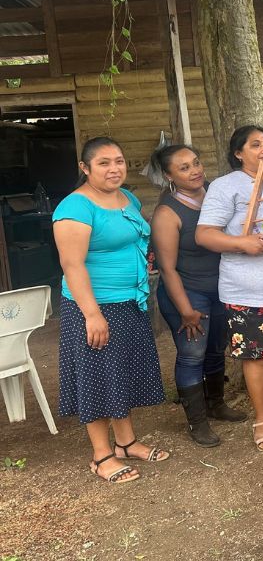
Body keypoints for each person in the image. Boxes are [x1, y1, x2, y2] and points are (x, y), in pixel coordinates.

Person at [53, 137, 169, 483]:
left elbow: (137, 238)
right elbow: (72, 265)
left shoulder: (126, 198)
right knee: (97, 377)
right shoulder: (75, 207)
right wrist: (92, 314)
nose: (114, 168)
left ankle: (126, 442)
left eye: (118, 161)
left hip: (128, 301)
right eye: (103, 163)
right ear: (84, 168)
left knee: (120, 373)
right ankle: (101, 456)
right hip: (93, 306)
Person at [195, 125, 263, 453]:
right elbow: (204, 235)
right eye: (255, 144)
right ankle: (262, 419)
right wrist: (242, 243)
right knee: (257, 356)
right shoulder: (226, 186)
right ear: (238, 153)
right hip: (247, 291)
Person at [150, 144, 246, 448]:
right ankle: (197, 420)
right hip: (186, 293)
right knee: (192, 355)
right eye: (184, 168)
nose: (195, 171)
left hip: (221, 289)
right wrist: (186, 310)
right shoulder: (168, 213)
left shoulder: (214, 195)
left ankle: (216, 404)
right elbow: (167, 269)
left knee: (216, 349)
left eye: (196, 162)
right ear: (169, 176)